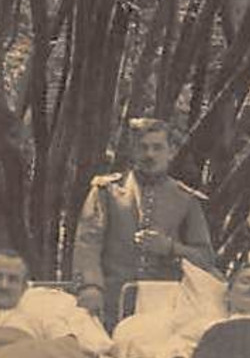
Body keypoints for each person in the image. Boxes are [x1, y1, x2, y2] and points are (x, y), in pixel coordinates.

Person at [73, 118, 217, 329]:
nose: (150, 154)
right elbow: (88, 243)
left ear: (170, 152)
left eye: (157, 148)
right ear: (133, 152)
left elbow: (205, 258)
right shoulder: (107, 192)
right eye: (143, 147)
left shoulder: (185, 199)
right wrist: (90, 286)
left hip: (165, 306)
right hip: (112, 300)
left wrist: (170, 248)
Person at [0, 249, 113, 358]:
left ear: (24, 287)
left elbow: (66, 348)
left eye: (13, 280)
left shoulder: (43, 313)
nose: (3, 285)